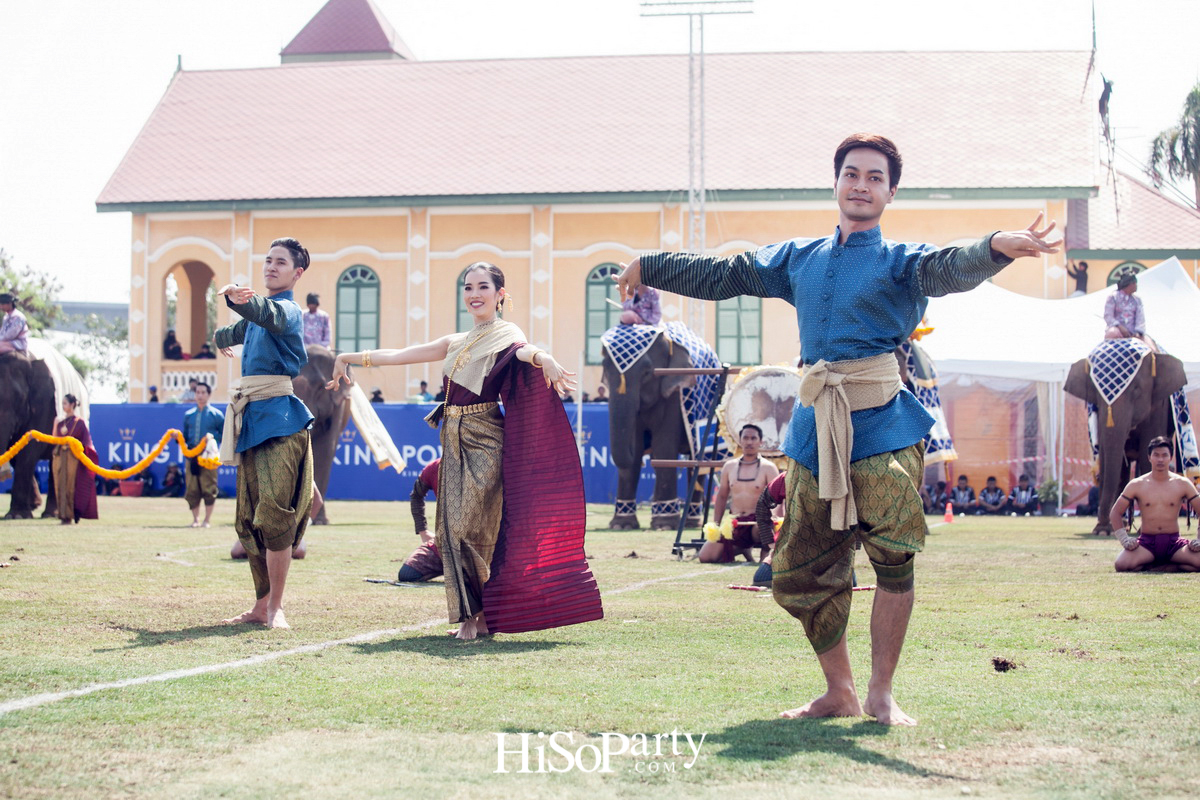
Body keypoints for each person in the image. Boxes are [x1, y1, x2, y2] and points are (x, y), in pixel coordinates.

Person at [615, 133, 1060, 725]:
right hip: (812, 426)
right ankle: (840, 690)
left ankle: (881, 694)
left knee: (893, 558)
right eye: (852, 174)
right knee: (796, 572)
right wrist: (654, 266)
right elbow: (726, 274)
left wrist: (996, 248)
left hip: (881, 423)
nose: (861, 185)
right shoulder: (799, 257)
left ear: (890, 192)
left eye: (875, 177)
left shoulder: (902, 261)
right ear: (836, 182)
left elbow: (950, 267)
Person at [327, 261, 604, 640]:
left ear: (500, 295)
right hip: (453, 438)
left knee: (473, 528)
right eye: (468, 287)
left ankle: (485, 614)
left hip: (487, 439)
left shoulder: (506, 332)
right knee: (450, 530)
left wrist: (546, 359)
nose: (474, 294)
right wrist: (348, 358)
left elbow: (523, 351)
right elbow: (403, 353)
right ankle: (474, 616)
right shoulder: (455, 342)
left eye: (483, 287)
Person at [213, 237, 316, 629]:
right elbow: (234, 331)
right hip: (251, 418)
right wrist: (220, 337)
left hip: (280, 420)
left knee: (274, 514)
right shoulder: (258, 317)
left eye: (280, 262)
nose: (271, 266)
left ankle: (276, 608)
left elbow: (263, 313)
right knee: (248, 518)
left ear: (297, 272)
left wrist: (236, 299)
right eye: (268, 260)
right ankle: (259, 606)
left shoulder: (286, 310)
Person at [1109, 436, 1200, 572]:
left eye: (1164, 455)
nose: (1160, 459)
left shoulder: (1183, 483)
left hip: (1174, 544)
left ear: (1171, 457)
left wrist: (1199, 540)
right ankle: (1160, 564)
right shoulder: (1137, 484)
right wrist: (1125, 540)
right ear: (1149, 457)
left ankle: (1168, 566)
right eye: (1156, 455)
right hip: (1147, 543)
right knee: (1121, 565)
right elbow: (1115, 513)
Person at [701, 424, 780, 563]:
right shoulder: (729, 466)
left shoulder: (769, 468)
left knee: (762, 529)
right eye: (746, 438)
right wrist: (717, 524)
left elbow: (778, 499)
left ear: (760, 442)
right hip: (735, 523)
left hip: (759, 523)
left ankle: (765, 554)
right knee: (705, 556)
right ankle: (742, 549)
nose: (749, 442)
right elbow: (722, 496)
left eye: (753, 438)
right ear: (740, 441)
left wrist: (775, 520)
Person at [50, 394, 99, 525]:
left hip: (72, 457)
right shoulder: (60, 421)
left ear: (72, 404)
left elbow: (86, 442)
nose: (63, 406)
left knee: (70, 484)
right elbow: (54, 439)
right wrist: (55, 423)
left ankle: (70, 514)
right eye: (62, 403)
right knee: (59, 484)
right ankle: (61, 513)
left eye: (65, 403)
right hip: (59, 456)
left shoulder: (79, 422)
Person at [182, 380, 224, 527]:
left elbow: (224, 434)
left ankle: (207, 520)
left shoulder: (216, 415)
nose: (200, 395)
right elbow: (185, 436)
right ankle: (195, 520)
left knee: (209, 487)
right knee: (192, 488)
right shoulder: (188, 415)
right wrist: (178, 438)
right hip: (192, 455)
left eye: (203, 392)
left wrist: (212, 438)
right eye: (197, 392)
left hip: (209, 456)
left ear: (208, 394)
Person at [398, 459, 444, 582]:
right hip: (445, 544)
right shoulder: (435, 467)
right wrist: (422, 530)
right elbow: (416, 495)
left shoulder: (482, 467)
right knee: (407, 574)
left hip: (480, 546)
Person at [753, 471, 787, 586]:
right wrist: (769, 540)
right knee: (762, 578)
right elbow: (762, 504)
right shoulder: (788, 476)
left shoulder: (835, 475)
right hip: (794, 539)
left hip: (828, 540)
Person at [1103, 275, 1154, 349]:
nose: (1136, 285)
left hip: (1134, 333)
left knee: (1150, 345)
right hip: (1117, 330)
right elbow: (1108, 316)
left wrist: (1137, 332)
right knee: (1112, 333)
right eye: (1134, 283)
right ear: (1128, 284)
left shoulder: (1137, 300)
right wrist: (1120, 327)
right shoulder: (1113, 297)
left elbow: (1140, 318)